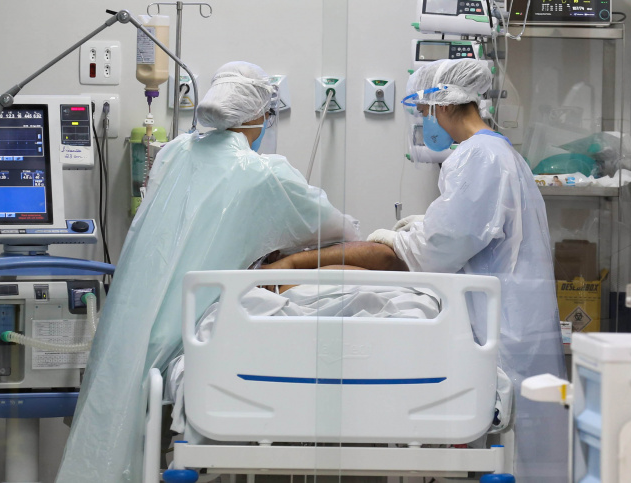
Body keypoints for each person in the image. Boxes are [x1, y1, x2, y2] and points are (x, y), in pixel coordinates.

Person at [55, 62, 359, 483]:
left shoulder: (174, 152)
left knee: (115, 426)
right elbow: (340, 229)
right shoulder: (263, 173)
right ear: (257, 115)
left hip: (134, 318)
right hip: (188, 326)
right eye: (268, 114)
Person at [368, 58, 567, 481]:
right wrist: (423, 225)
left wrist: (394, 239)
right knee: (523, 445)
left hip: (502, 327)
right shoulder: (498, 152)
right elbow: (471, 229)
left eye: (425, 111)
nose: (425, 121)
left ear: (442, 104)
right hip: (516, 319)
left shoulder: (479, 157)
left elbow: (441, 248)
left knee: (509, 447)